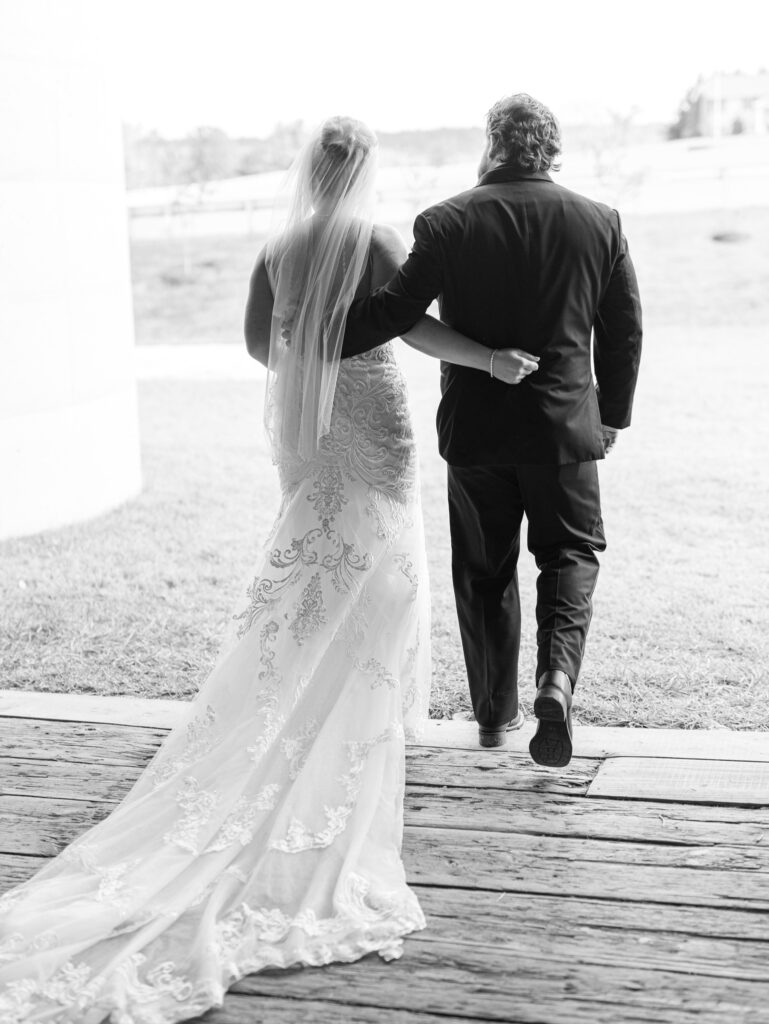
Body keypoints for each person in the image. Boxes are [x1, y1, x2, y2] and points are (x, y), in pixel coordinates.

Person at [0, 117, 533, 1023]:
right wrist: (489, 357)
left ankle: (306, 689)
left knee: (314, 567)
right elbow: (413, 329)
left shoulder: (277, 247)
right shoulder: (374, 239)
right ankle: (369, 710)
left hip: (318, 432)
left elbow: (259, 348)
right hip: (375, 422)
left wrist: (305, 360)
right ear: (361, 171)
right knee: (386, 567)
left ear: (308, 172)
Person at [342, 94, 643, 767]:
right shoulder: (598, 221)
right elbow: (623, 330)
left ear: (491, 144)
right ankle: (556, 684)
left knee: (484, 572)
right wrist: (612, 415)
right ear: (549, 148)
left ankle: (492, 718)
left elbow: (393, 311)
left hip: (476, 433)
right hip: (565, 430)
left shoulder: (446, 220)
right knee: (568, 557)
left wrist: (318, 337)